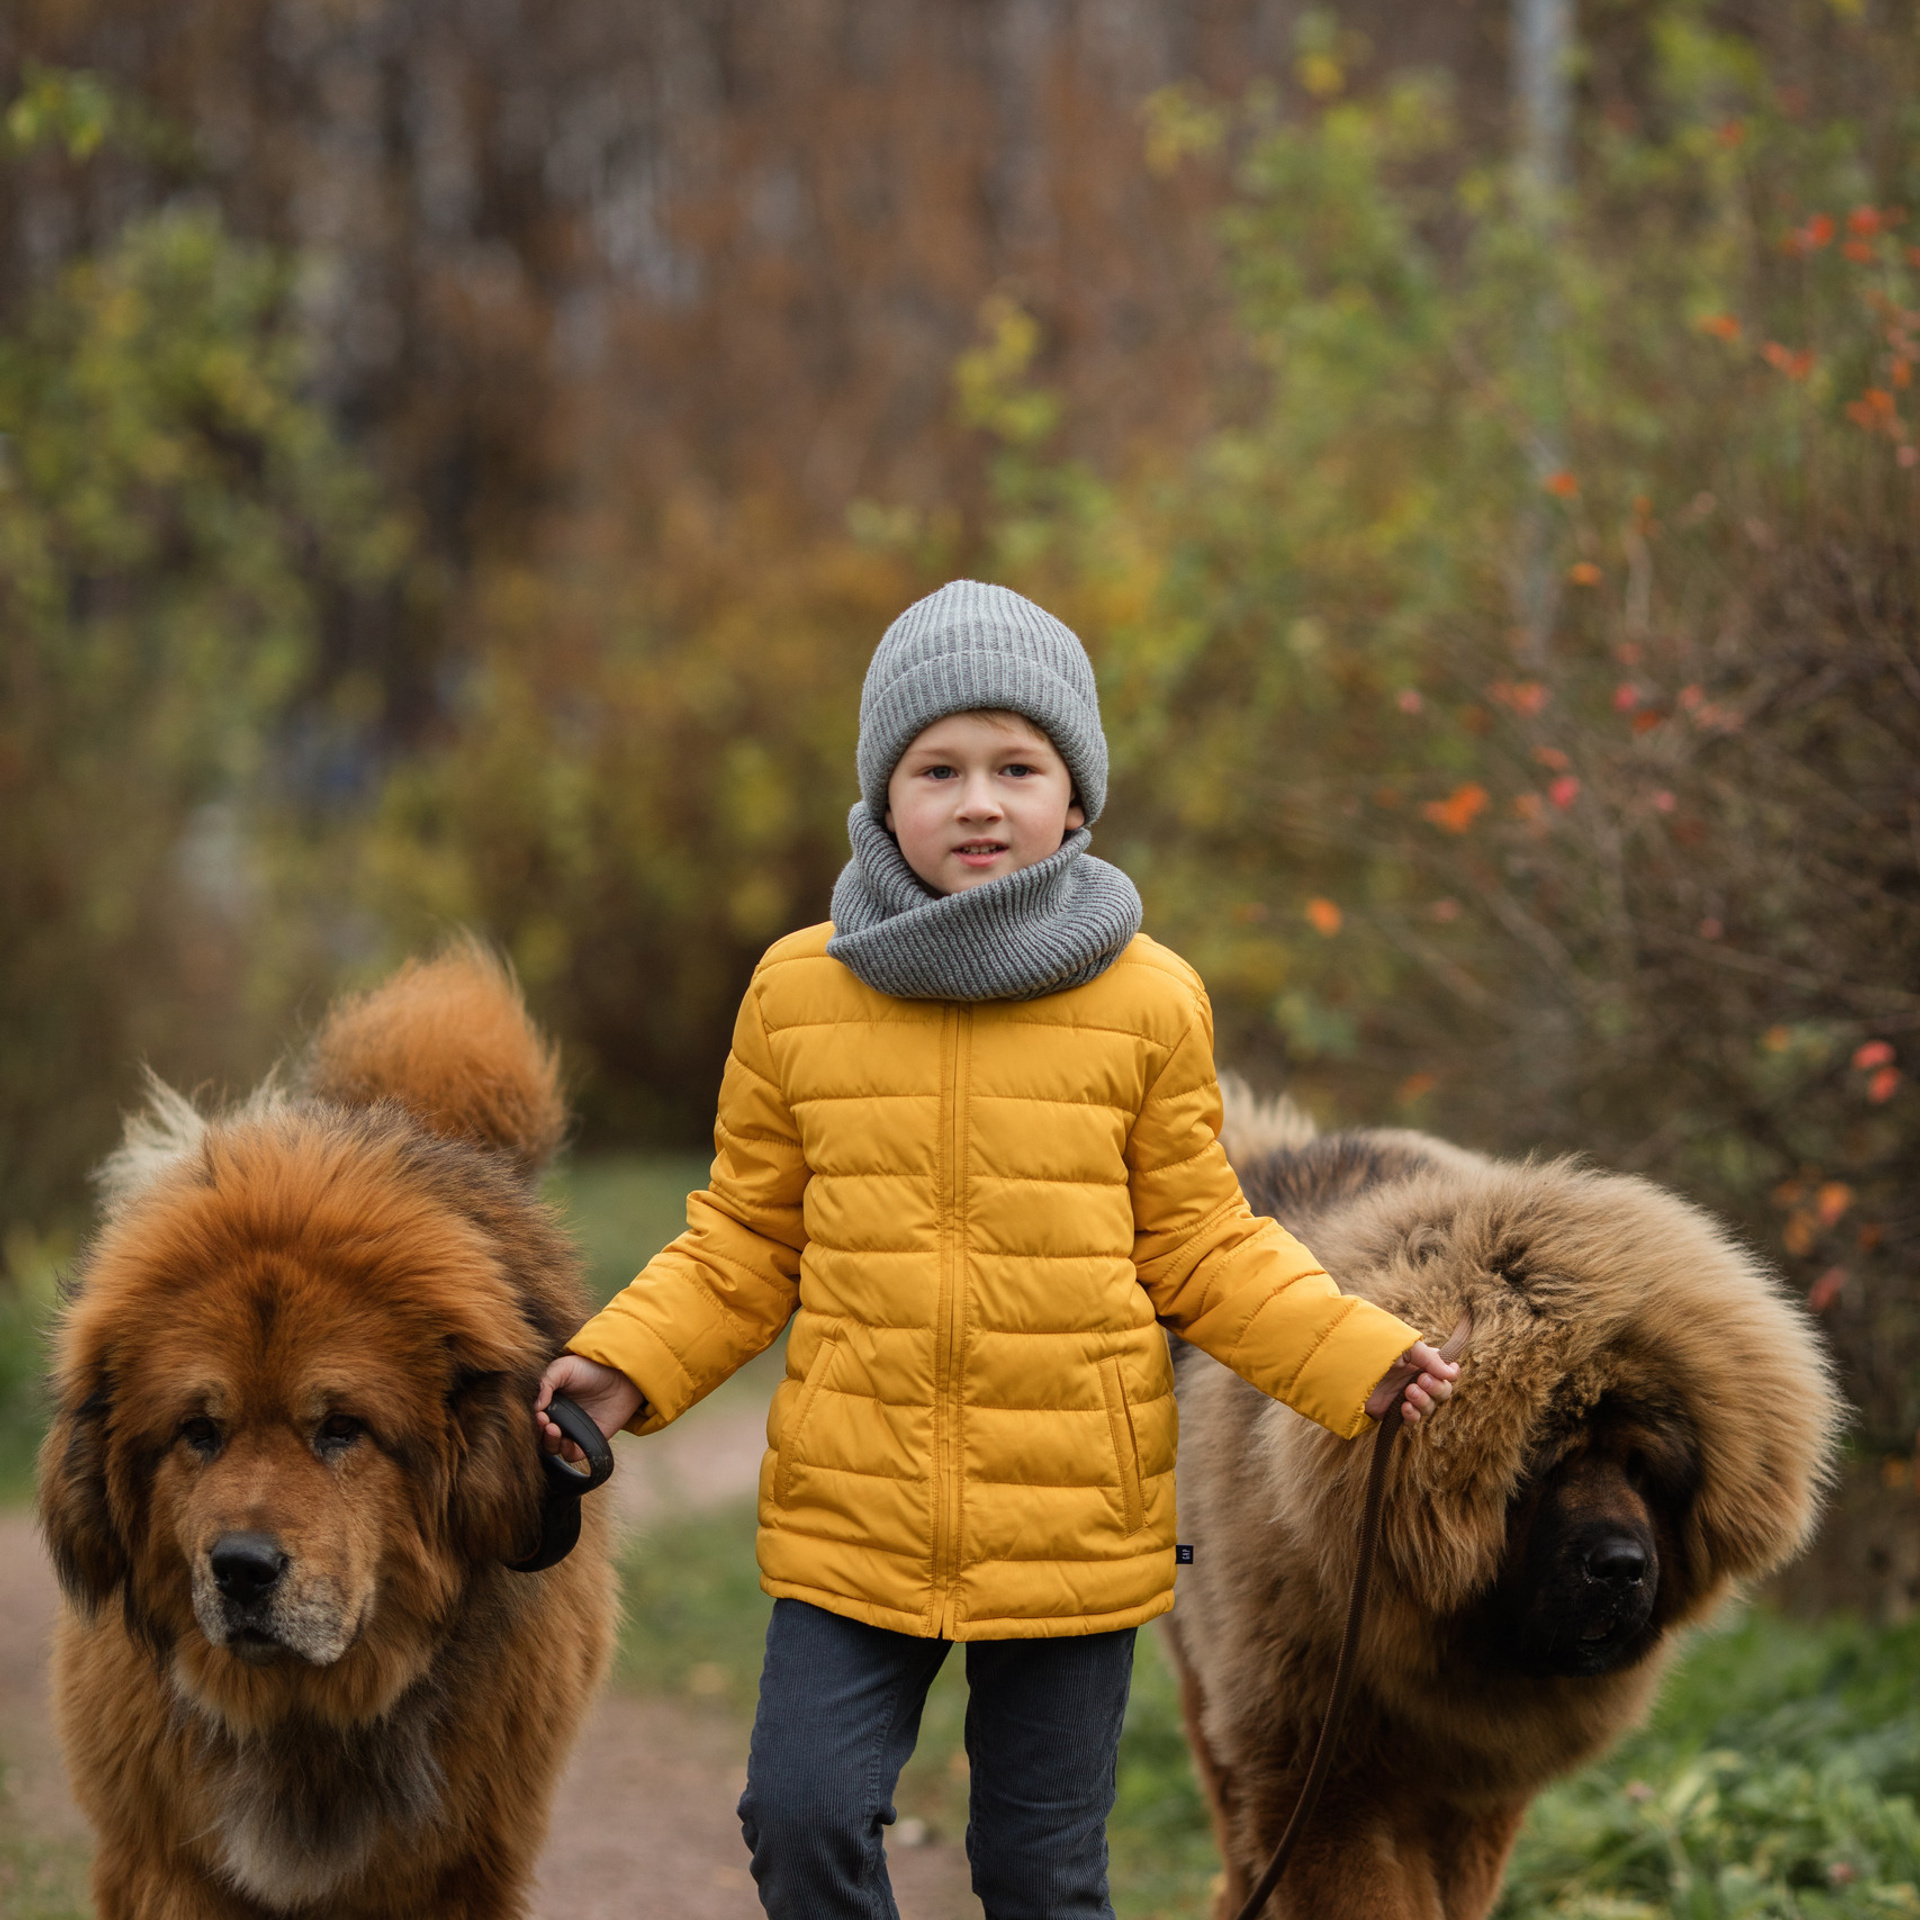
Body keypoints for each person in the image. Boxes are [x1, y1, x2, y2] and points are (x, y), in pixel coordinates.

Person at [536, 580, 1458, 1920]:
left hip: (1074, 1523)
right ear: (881, 798)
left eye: (1017, 767)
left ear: (1074, 801)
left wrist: (1353, 1358)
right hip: (854, 1517)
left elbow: (1205, 1246)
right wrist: (620, 1367)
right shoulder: (799, 993)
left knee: (1040, 1877)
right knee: (799, 1822)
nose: (979, 802)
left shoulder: (1149, 1000)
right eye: (939, 769)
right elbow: (741, 1242)